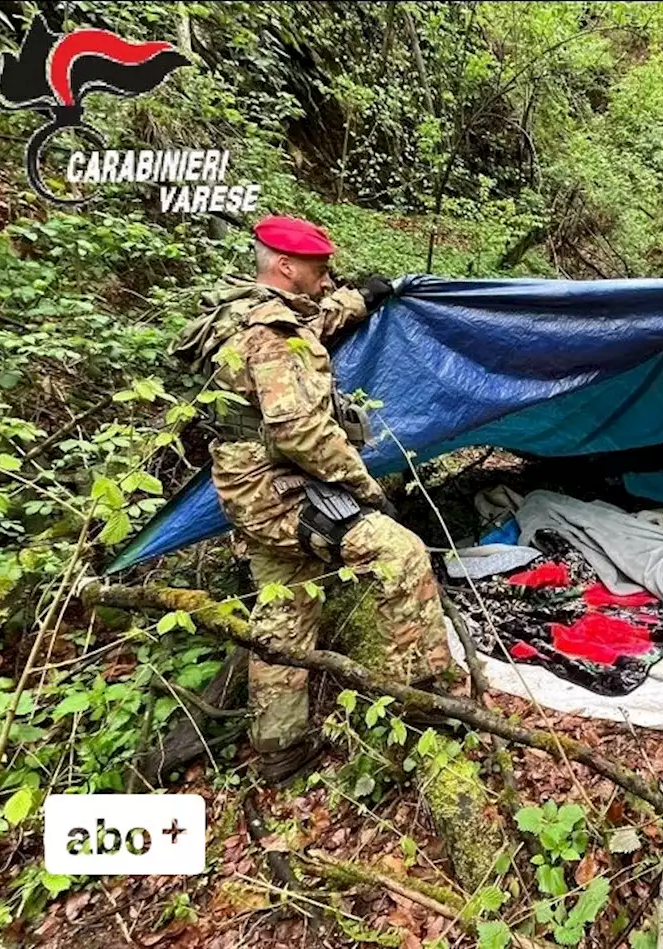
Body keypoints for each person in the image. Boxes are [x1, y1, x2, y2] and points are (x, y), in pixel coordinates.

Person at [173, 215, 451, 784]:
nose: (325, 282)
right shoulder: (270, 337)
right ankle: (425, 705)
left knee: (285, 605)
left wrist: (363, 298)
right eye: (319, 271)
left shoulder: (248, 313)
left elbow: (316, 318)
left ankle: (278, 748)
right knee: (401, 555)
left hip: (245, 491)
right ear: (284, 268)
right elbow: (299, 431)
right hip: (280, 493)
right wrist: (364, 488)